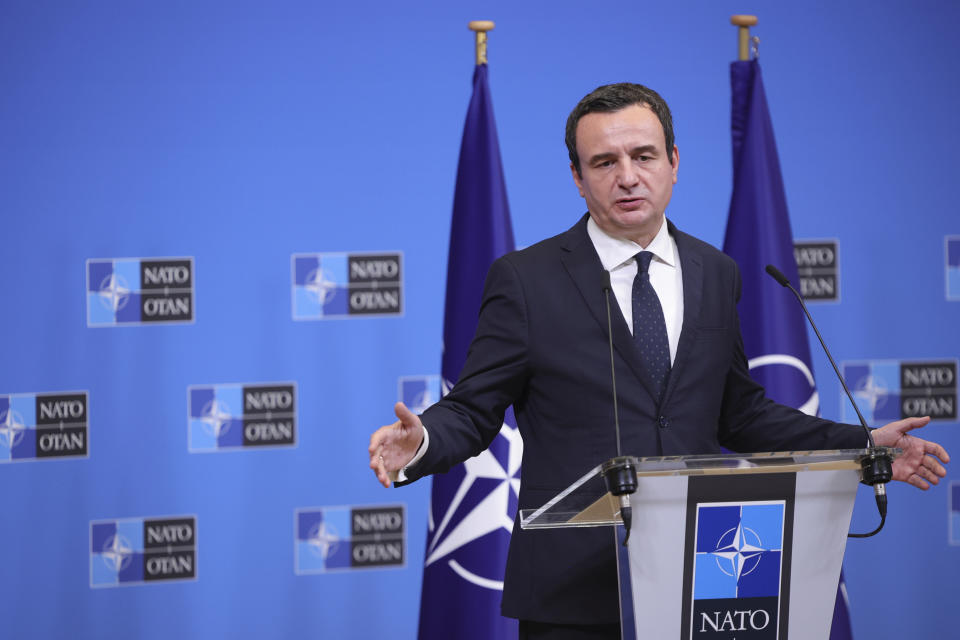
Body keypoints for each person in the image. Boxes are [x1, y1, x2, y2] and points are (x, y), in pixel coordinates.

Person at [368, 83, 950, 639]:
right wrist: (420, 443)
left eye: (643, 155)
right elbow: (472, 411)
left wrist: (863, 443)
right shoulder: (525, 280)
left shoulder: (716, 272)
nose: (627, 177)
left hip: (707, 580)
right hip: (575, 593)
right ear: (577, 177)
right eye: (603, 162)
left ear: (673, 160)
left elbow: (740, 415)